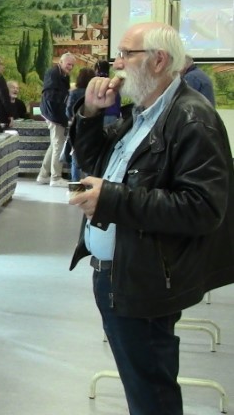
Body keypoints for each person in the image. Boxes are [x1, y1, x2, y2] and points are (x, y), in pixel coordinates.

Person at [68, 22, 234, 415]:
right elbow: (94, 161)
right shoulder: (142, 114)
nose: (117, 64)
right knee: (143, 385)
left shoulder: (192, 119)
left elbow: (203, 208)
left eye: (126, 54)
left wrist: (111, 199)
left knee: (151, 394)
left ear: (159, 61)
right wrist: (90, 114)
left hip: (145, 278)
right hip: (122, 270)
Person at [36, 52, 75, 187]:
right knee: (59, 144)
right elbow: (49, 94)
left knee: (55, 144)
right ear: (61, 62)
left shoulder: (63, 75)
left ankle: (43, 175)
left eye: (72, 65)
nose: (70, 67)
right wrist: (68, 95)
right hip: (53, 114)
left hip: (55, 113)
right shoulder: (53, 73)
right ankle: (55, 178)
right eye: (69, 64)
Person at [64, 67, 95, 182]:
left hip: (77, 127)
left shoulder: (74, 93)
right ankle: (89, 182)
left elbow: (68, 111)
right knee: (90, 156)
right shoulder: (94, 94)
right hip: (91, 126)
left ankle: (75, 184)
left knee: (75, 156)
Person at [94, 60, 121, 126]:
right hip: (114, 115)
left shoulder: (95, 83)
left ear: (97, 69)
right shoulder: (112, 83)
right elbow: (118, 100)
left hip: (100, 116)